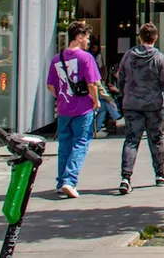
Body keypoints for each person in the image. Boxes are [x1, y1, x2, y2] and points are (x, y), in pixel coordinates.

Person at [117, 23, 164, 195]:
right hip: (154, 105)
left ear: (140, 37)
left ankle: (126, 177)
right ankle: (160, 173)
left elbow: (120, 78)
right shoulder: (159, 58)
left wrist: (124, 94)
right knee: (157, 139)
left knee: (131, 140)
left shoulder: (129, 56)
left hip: (132, 104)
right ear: (155, 38)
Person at [46, 21, 100, 198]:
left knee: (64, 145)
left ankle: (61, 181)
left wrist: (62, 97)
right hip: (82, 108)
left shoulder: (57, 58)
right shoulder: (86, 58)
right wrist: (96, 101)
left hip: (63, 108)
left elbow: (51, 86)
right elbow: (92, 84)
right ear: (79, 37)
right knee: (81, 143)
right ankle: (70, 180)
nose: (88, 41)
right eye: (87, 38)